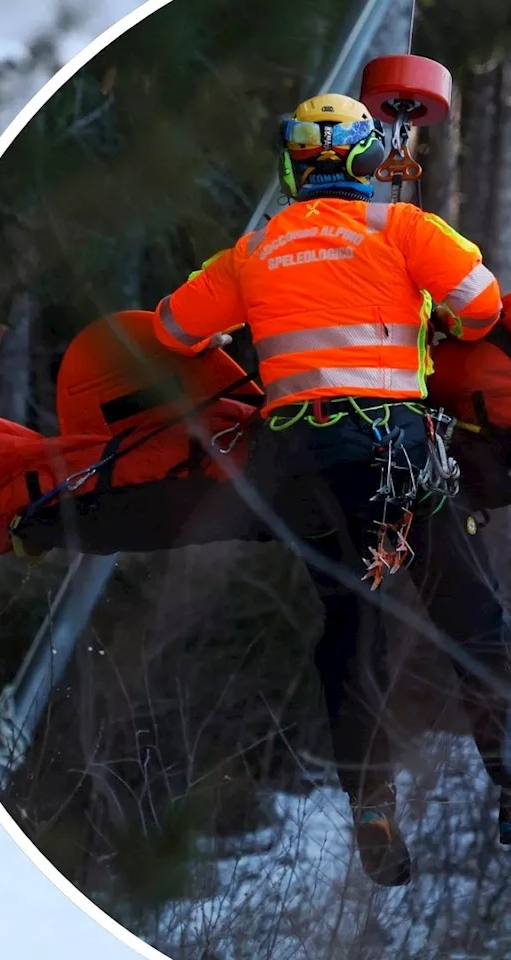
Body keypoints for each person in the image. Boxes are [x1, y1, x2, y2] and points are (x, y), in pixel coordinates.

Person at [151, 92, 503, 886]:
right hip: (395, 449)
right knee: (469, 612)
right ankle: (510, 780)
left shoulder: (255, 249)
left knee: (352, 628)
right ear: (367, 160)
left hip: (301, 463)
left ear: (293, 164)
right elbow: (479, 309)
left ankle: (372, 808)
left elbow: (172, 330)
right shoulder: (403, 228)